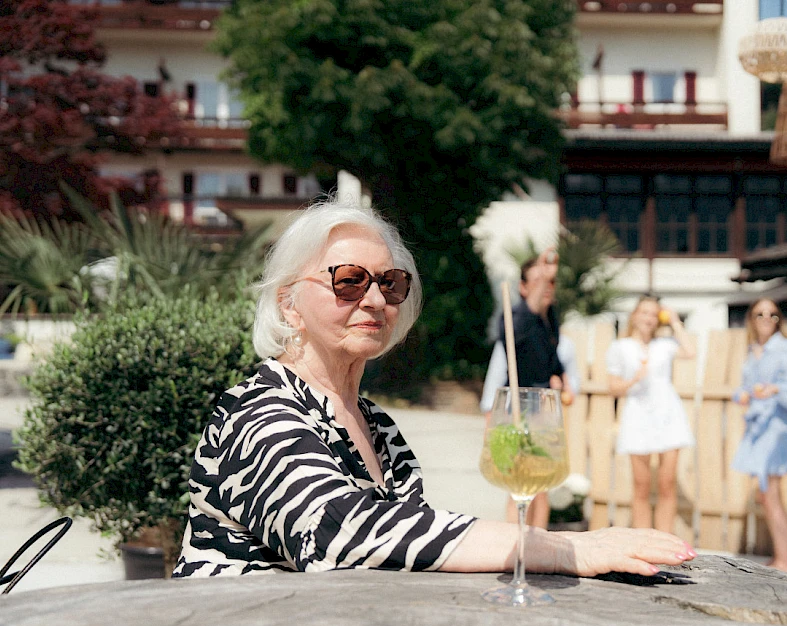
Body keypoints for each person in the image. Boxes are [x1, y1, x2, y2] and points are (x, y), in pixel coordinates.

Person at [173, 199, 696, 578]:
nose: (376, 299)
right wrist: (563, 549)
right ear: (289, 302)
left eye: (390, 283)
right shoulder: (260, 411)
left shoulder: (377, 426)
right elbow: (339, 534)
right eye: (349, 280)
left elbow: (411, 546)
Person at [492, 248, 575, 529]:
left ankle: (538, 540)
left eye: (551, 282)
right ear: (524, 287)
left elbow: (552, 357)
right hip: (519, 405)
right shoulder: (516, 317)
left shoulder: (549, 319)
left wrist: (562, 378)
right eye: (539, 281)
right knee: (519, 479)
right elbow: (516, 344)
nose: (547, 286)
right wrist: (543, 270)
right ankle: (516, 540)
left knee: (542, 481)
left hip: (544, 409)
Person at [731, 298, 787, 574]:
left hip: (775, 430)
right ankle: (781, 557)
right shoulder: (754, 351)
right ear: (751, 318)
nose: (765, 318)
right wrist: (742, 394)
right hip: (757, 428)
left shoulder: (786, 349)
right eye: (759, 313)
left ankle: (785, 562)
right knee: (768, 495)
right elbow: (746, 388)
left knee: (770, 494)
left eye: (772, 314)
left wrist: (774, 389)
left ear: (779, 319)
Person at [605, 296, 696, 533]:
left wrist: (675, 321)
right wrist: (634, 378)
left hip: (668, 413)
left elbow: (690, 351)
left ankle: (664, 540)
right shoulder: (620, 347)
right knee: (641, 485)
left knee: (667, 483)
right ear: (634, 315)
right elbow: (613, 387)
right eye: (644, 312)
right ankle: (645, 540)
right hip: (637, 415)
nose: (648, 318)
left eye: (654, 314)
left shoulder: (664, 344)